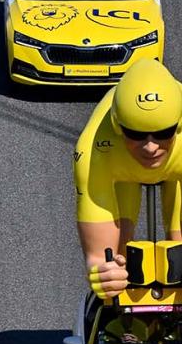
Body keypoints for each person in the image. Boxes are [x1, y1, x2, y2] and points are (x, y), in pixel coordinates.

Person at [74, 58, 182, 299]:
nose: (151, 147)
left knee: (179, 248)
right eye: (136, 134)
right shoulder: (92, 148)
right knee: (117, 259)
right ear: (117, 125)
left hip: (175, 164)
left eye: (163, 133)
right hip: (118, 166)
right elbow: (99, 258)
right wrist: (103, 272)